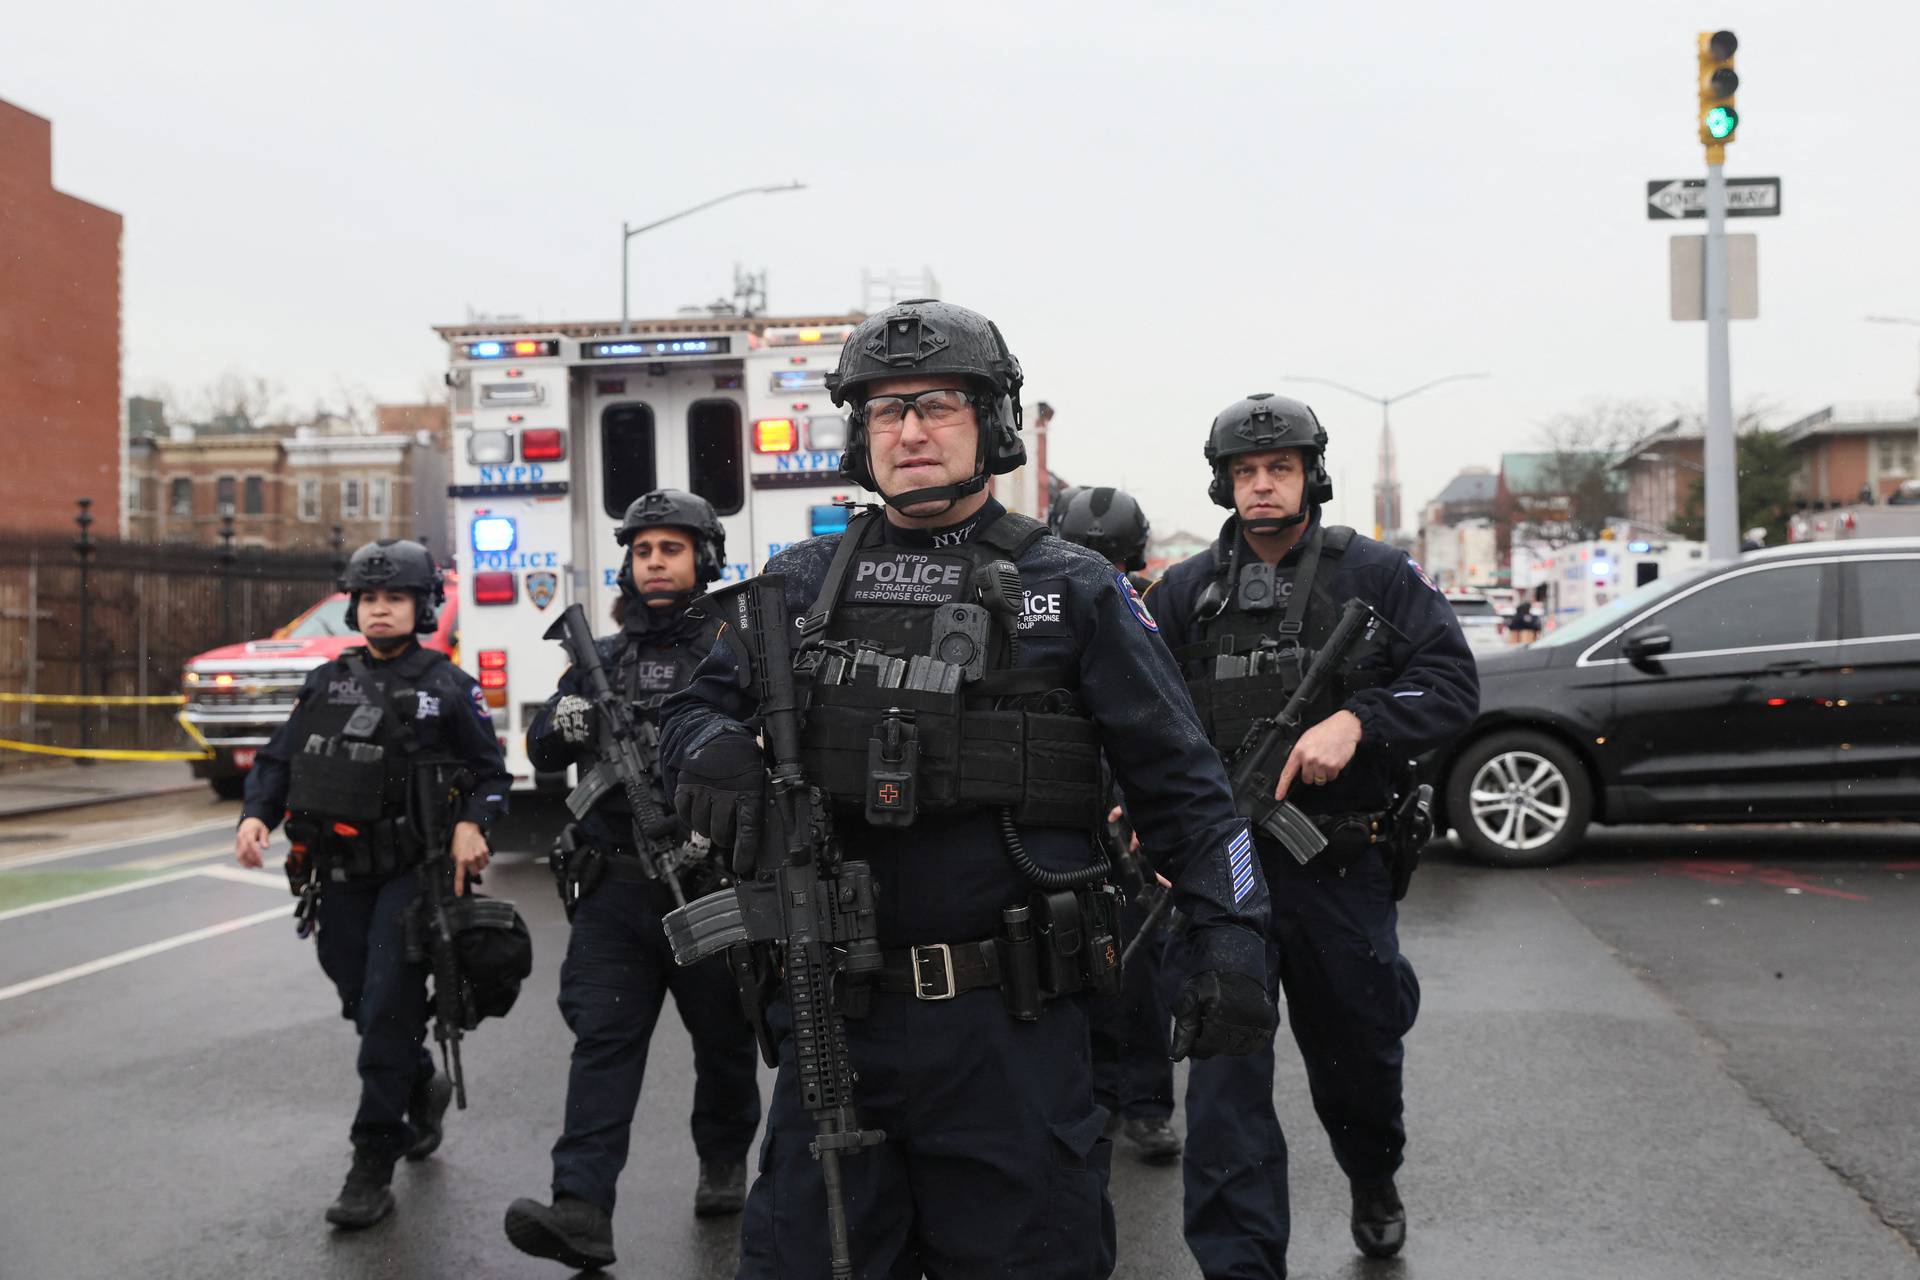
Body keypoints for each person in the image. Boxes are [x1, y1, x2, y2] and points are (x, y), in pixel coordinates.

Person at [660, 300, 1276, 1279]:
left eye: (937, 405)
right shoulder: (801, 582)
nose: (908, 430)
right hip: (836, 1020)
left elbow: (1190, 790)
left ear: (990, 421)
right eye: (884, 410)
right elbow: (684, 716)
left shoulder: (1073, 586)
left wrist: (1234, 938)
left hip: (1012, 1035)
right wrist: (711, 747)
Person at [1147, 393, 1478, 1276]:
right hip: (1225, 872)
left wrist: (1359, 722)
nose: (1262, 487)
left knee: (1358, 1061)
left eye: (1279, 469)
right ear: (1224, 484)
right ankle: (1240, 1262)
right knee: (1223, 1081)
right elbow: (1135, 718)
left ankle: (1374, 1177)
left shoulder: (1376, 575)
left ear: (1310, 476)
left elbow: (1450, 683)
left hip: (1338, 864)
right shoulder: (1182, 593)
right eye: (1247, 472)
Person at [503, 490, 763, 1271]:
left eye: (672, 549)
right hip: (615, 890)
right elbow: (542, 744)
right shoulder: (602, 661)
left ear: (703, 560)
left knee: (723, 1042)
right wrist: (568, 721)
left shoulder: (732, 655)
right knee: (603, 1045)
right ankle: (581, 1208)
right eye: (644, 550)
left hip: (709, 883)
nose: (656, 562)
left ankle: (722, 1157)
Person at [234, 538, 510, 1230]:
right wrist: (255, 815)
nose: (380, 609)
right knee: (358, 995)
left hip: (413, 875)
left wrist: (474, 825)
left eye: (395, 598)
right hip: (338, 875)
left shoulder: (447, 684)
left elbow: (492, 774)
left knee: (387, 1006)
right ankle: (419, 1080)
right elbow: (280, 756)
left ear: (421, 608)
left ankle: (371, 1161)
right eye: (369, 599)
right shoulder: (329, 680)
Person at [1054, 485, 1180, 1165]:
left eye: (1108, 555)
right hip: (1064, 823)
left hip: (1128, 826)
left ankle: (1148, 1106)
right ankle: (1095, 1098)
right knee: (1072, 974)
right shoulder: (1032, 613)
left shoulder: (1149, 613)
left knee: (1140, 979)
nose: (1095, 565)